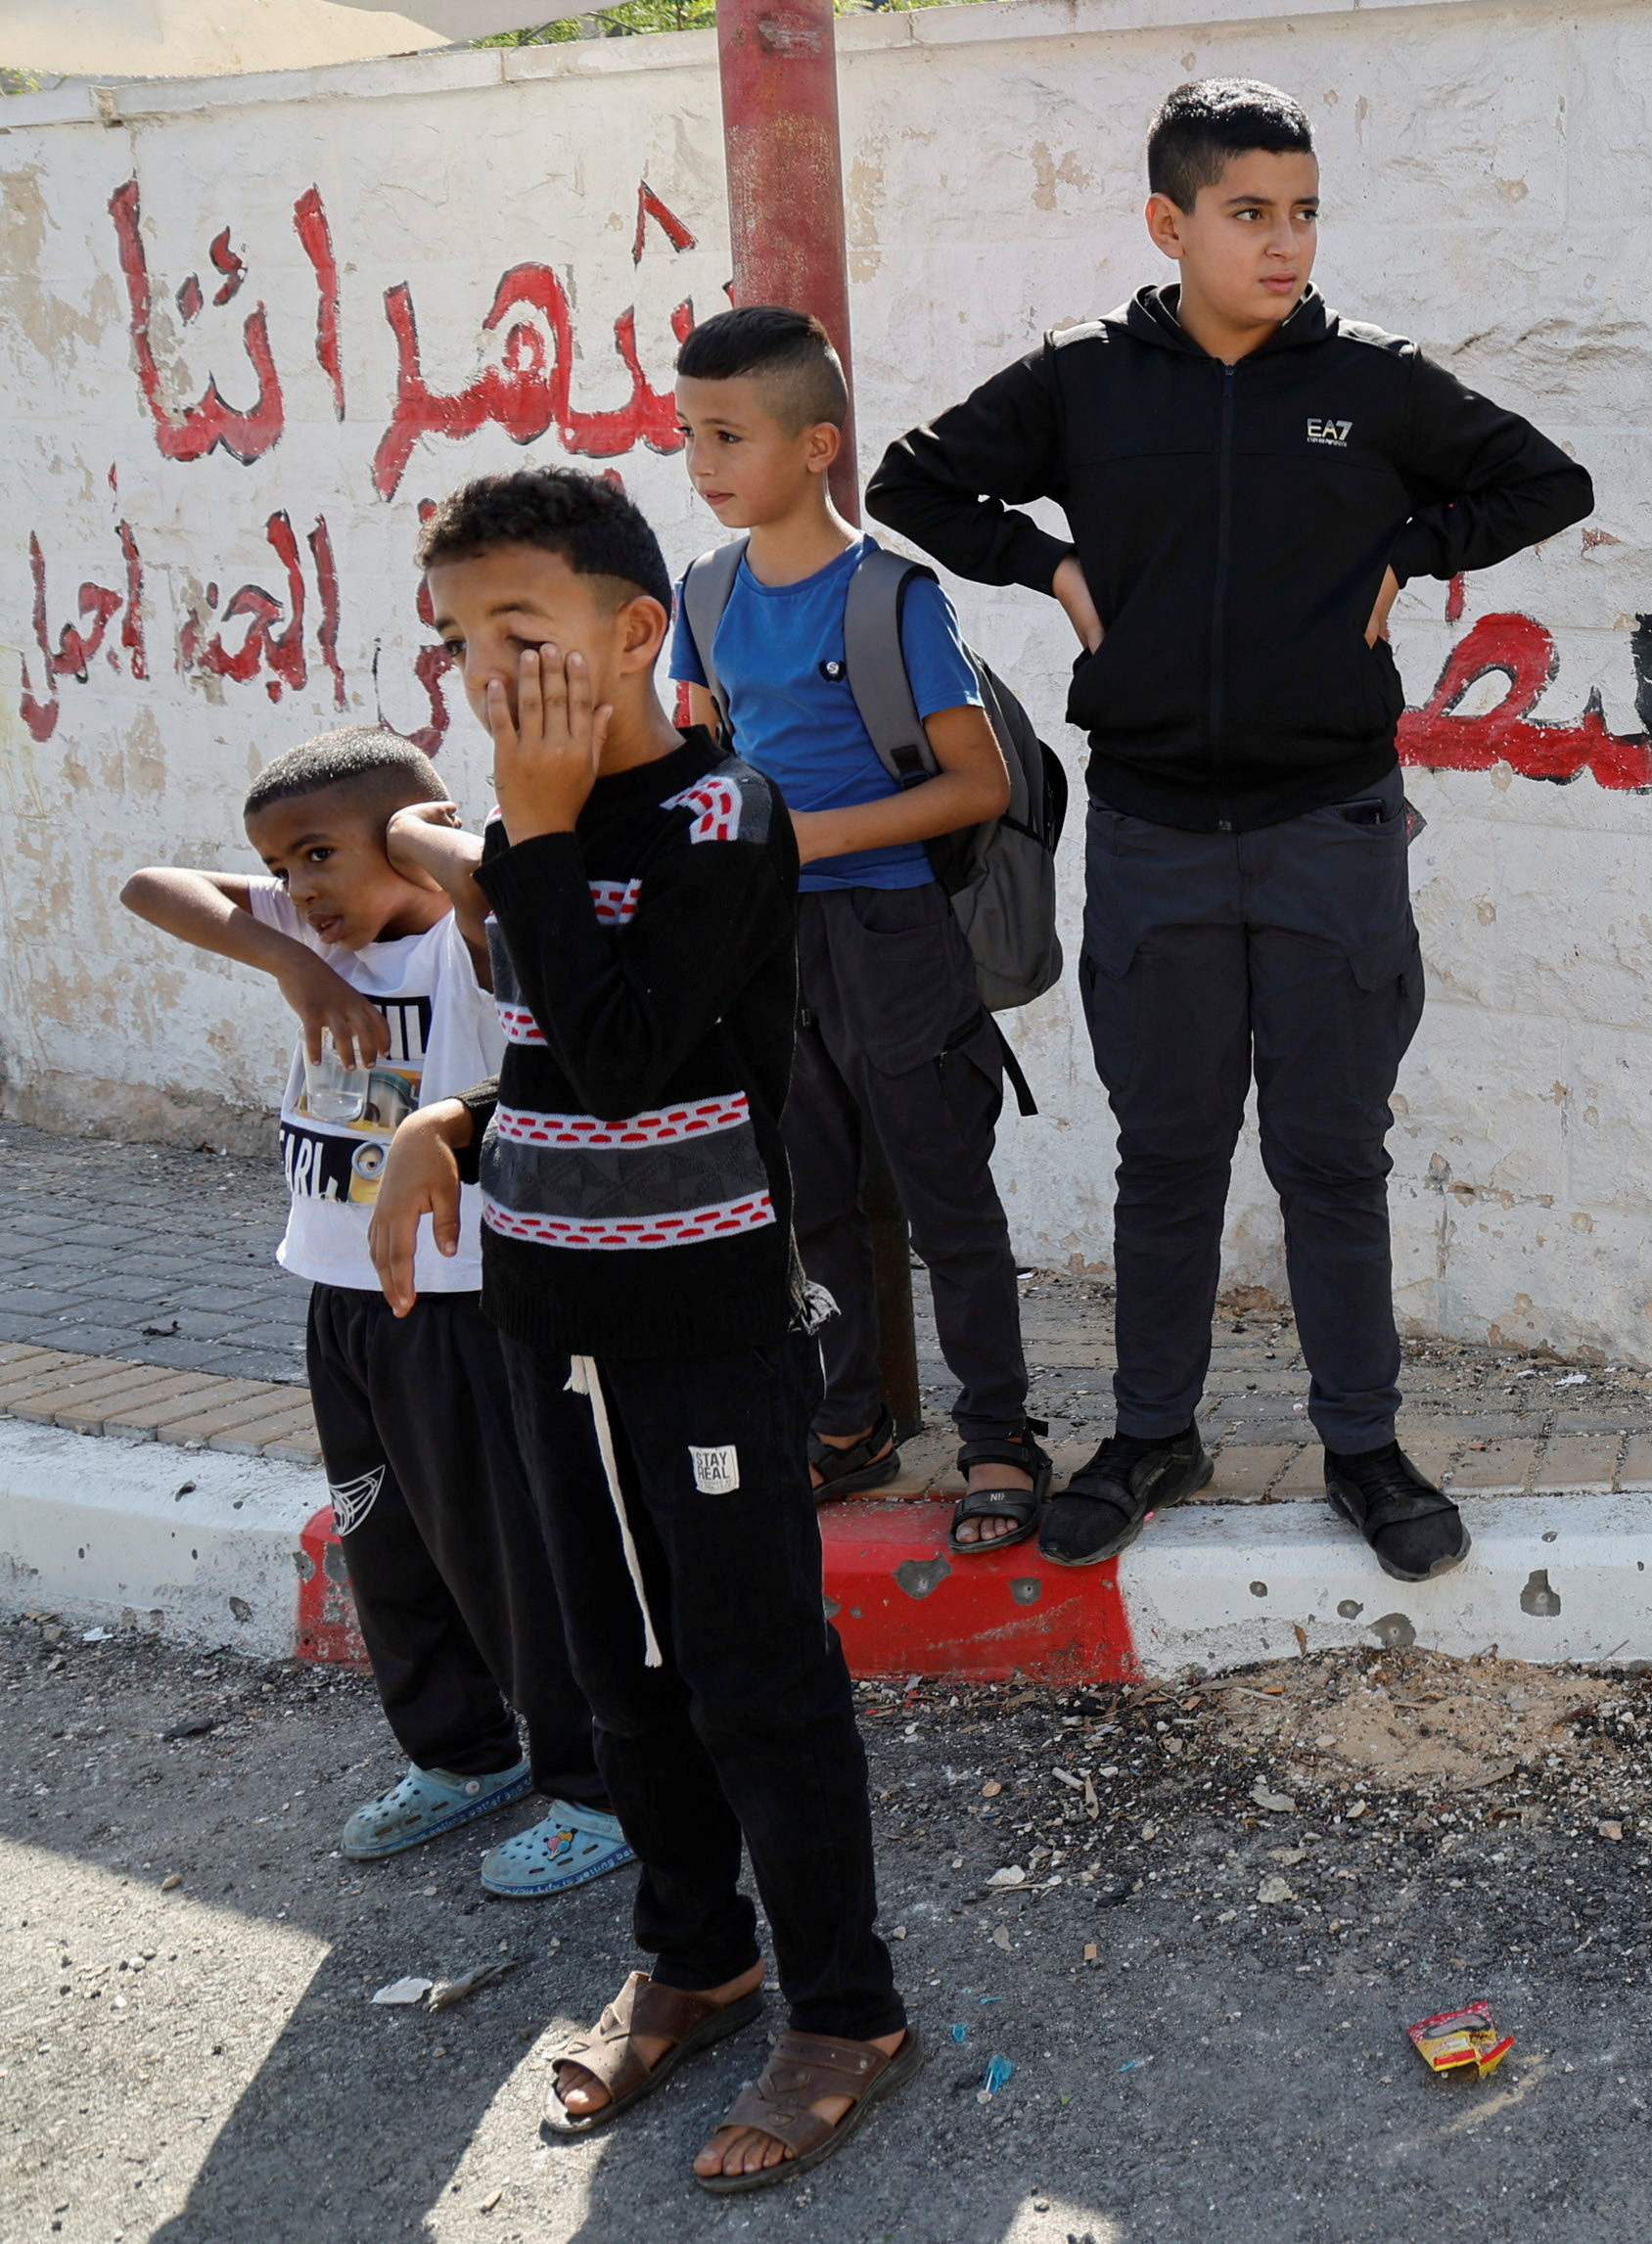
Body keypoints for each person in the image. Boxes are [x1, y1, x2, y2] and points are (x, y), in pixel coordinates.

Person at [868, 76, 1593, 1580]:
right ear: (1170, 221)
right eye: (1251, 213)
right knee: (1170, 1154)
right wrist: (1054, 570)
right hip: (1152, 832)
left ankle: (1366, 1448)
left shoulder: (1376, 384)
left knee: (1334, 1156)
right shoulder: (1085, 383)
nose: (1286, 244)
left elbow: (1548, 480)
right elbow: (911, 482)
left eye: (1306, 211)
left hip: (1331, 827)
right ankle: (1151, 1435)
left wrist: (1412, 550)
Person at [364, 467, 917, 2190]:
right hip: (548, 1316)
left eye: (521, 635)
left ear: (633, 632)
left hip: (701, 1328)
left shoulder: (721, 822)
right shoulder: (529, 836)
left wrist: (522, 832)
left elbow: (629, 1054)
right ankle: (696, 1952)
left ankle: (842, 2001)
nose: (486, 673)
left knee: (755, 1672)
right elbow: (543, 1066)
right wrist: (435, 1131)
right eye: (460, 642)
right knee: (615, 1673)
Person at [118, 729, 629, 1900]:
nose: (299, 888)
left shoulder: (462, 945)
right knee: (387, 1544)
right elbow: (151, 884)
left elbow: (486, 878)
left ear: (410, 839)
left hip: (464, 1307)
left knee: (512, 1558)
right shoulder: (309, 935)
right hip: (343, 1296)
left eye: (318, 857)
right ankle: (460, 1754)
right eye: (279, 866)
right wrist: (290, 961)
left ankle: (601, 1787)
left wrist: (412, 836)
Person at [666, 303, 1050, 1548]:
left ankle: (1000, 1436)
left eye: (728, 434)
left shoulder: (892, 598)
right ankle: (850, 1422)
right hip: (772, 957)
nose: (703, 462)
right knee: (807, 1195)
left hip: (893, 940)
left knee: (947, 1199)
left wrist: (802, 840)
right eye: (688, 434)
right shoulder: (704, 591)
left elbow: (978, 783)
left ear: (818, 443)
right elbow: (707, 752)